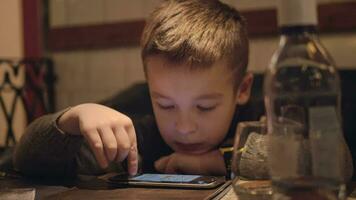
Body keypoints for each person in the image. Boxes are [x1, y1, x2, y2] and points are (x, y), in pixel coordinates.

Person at [13, 0, 353, 180]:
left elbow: (335, 160)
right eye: (166, 104)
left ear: (243, 89)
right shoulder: (141, 135)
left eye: (205, 107)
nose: (185, 127)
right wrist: (72, 118)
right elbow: (24, 160)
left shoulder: (267, 114)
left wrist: (214, 162)